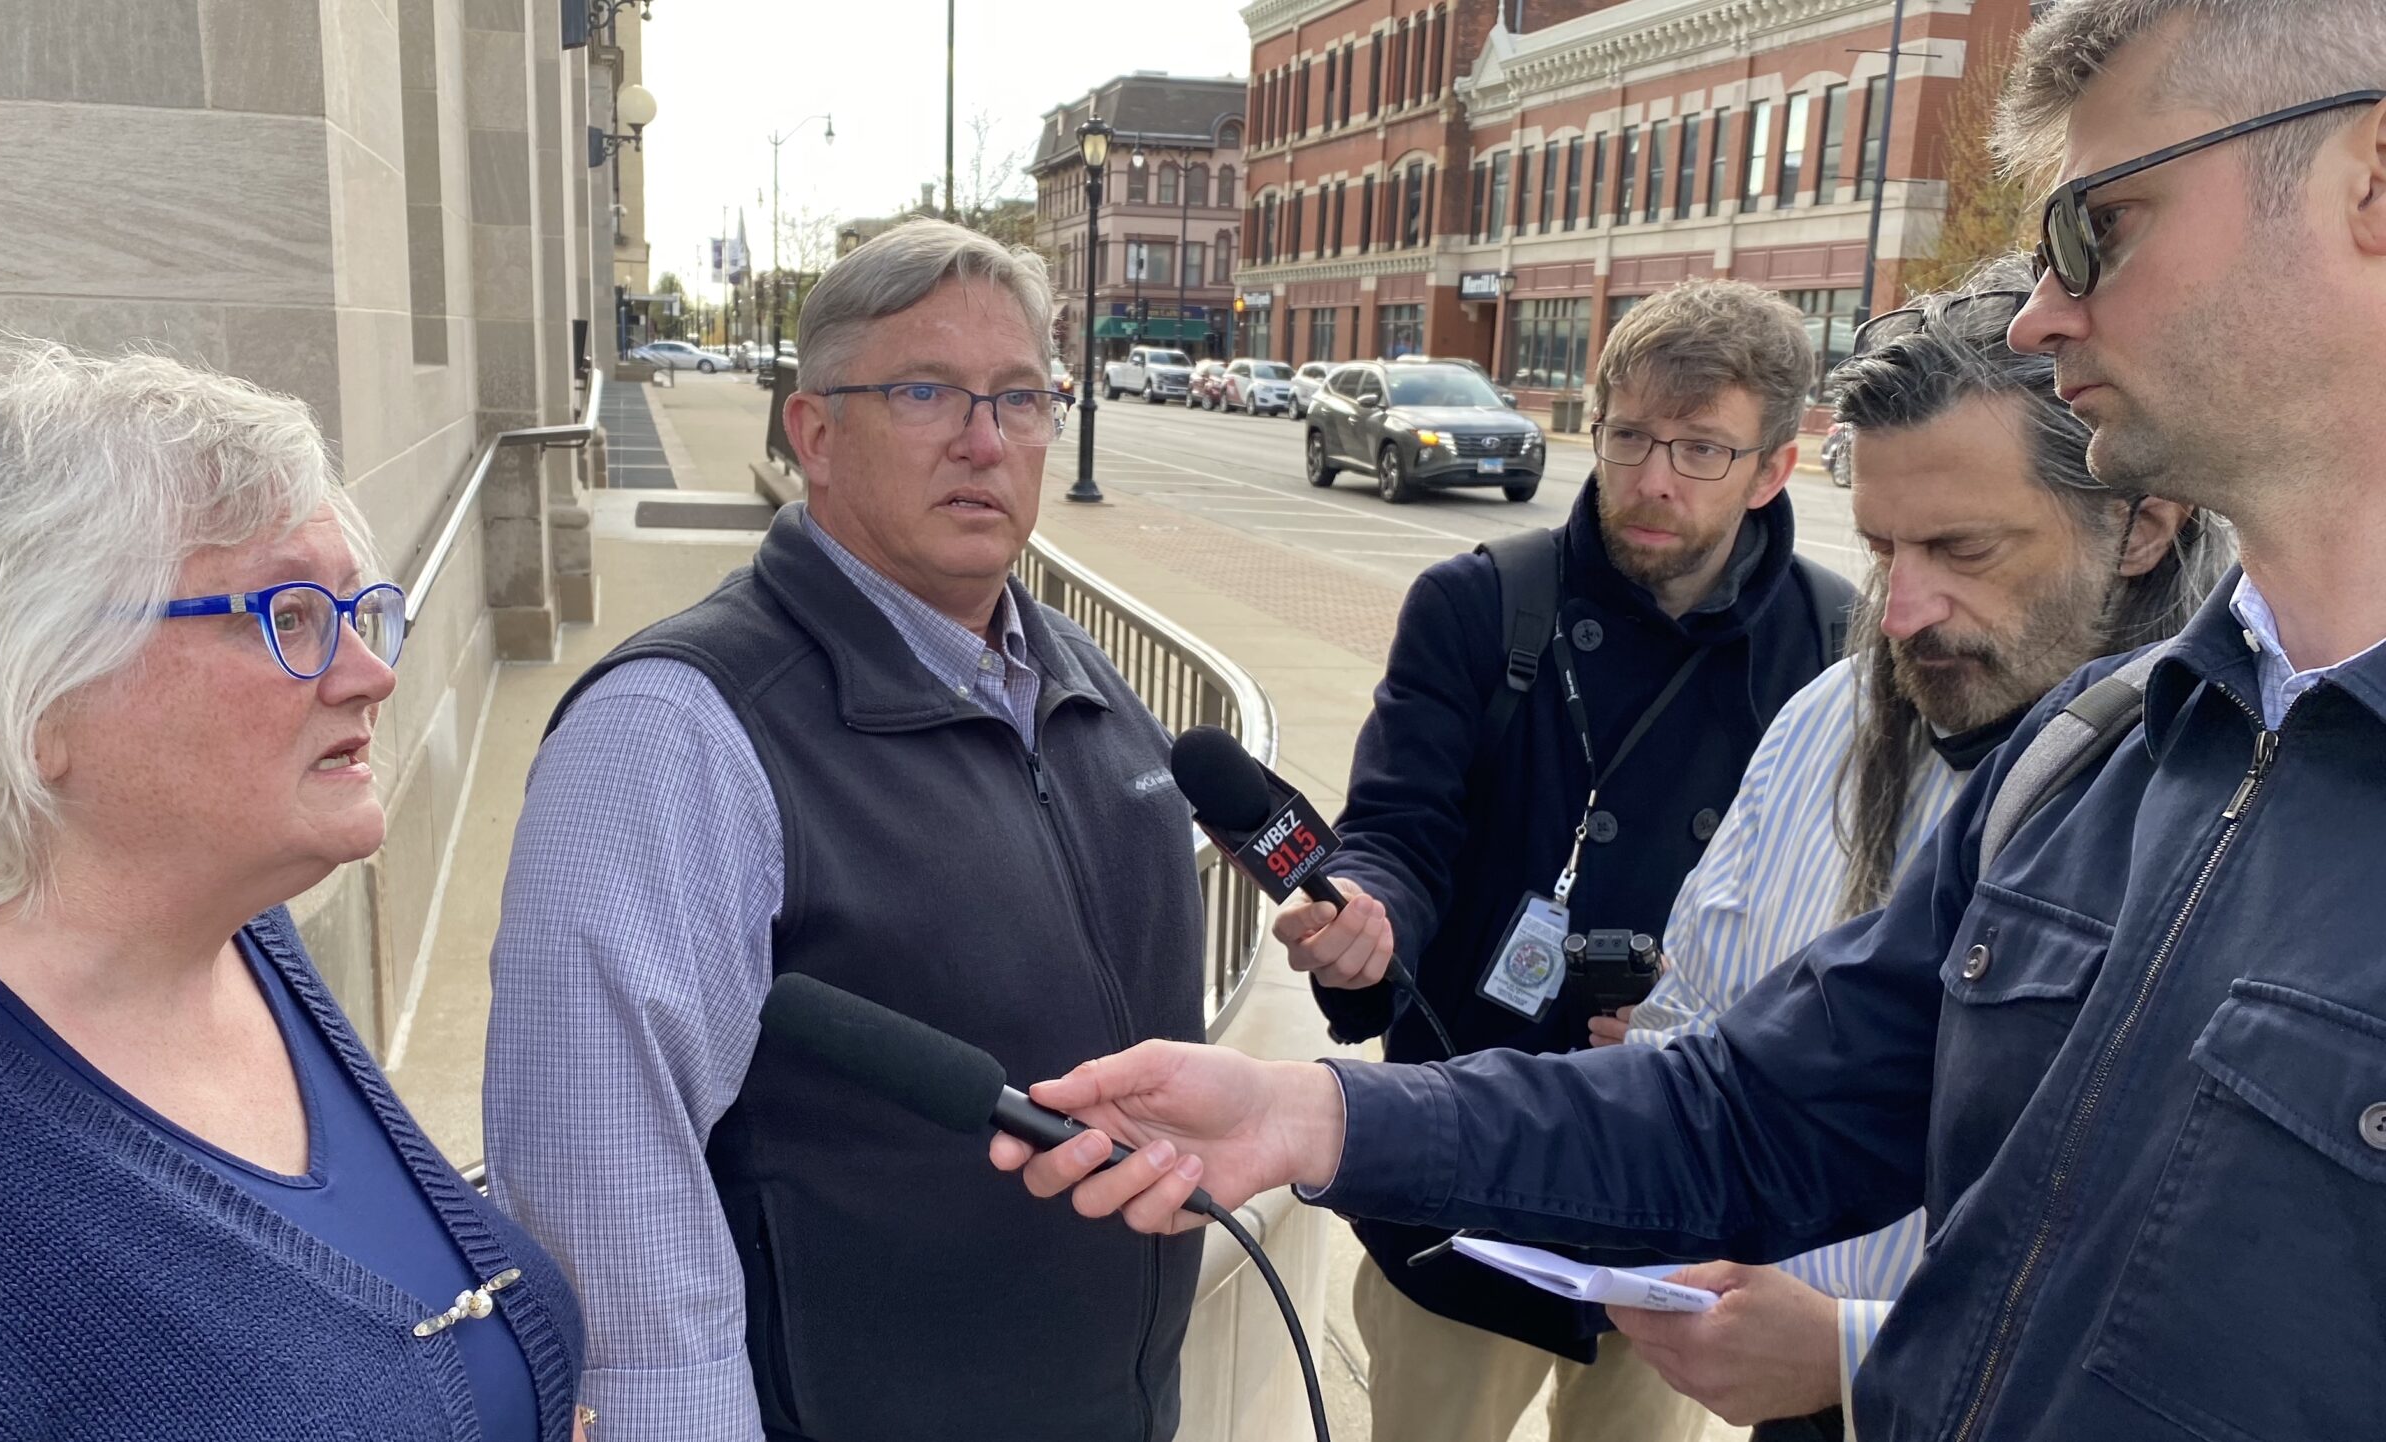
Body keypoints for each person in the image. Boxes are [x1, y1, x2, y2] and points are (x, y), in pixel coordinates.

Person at [994, 4, 2386, 1438]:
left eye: (2105, 222)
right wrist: (1321, 1117)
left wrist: (1847, 1349)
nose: (2039, 308)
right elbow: (1753, 1115)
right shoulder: (2094, 762)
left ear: (2372, 182)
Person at [484, 220, 1206, 1442]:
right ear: (810, 433)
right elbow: (603, 1202)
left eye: (1020, 397)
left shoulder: (1079, 677)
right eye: (926, 391)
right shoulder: (675, 733)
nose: (985, 439)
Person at [0, 343, 585, 1439]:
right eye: (286, 613)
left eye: (354, 609)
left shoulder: (238, 934)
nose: (370, 672)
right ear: (27, 688)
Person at [1583, 265, 2224, 1439]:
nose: (1901, 610)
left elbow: (2228, 1298)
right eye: (1883, 548)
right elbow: (1705, 1019)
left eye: (1962, 549)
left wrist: (1853, 1346)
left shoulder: (2233, 807)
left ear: (2142, 522)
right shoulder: (1831, 715)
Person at [1277, 278, 1852, 1442]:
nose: (1651, 479)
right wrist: (1371, 917)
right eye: (1631, 435)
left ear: (1773, 468)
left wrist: (1711, 1023)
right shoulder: (1478, 605)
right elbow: (1400, 826)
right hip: (1467, 1166)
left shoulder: (1836, 642)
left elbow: (1855, 912)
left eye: (1700, 449)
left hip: (1679, 1197)